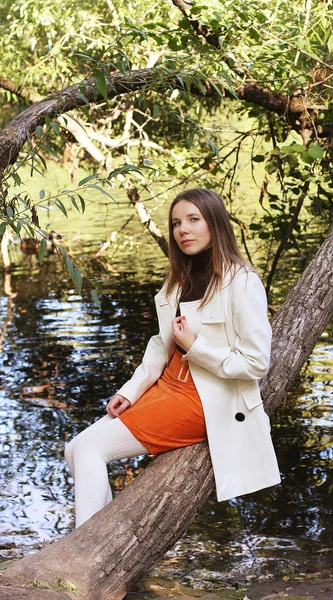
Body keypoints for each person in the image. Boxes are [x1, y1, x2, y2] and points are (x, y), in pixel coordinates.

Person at [65, 188, 281, 528]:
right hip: (168, 384)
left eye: (194, 220)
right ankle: (98, 535)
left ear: (215, 224)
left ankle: (79, 551)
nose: (183, 230)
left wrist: (195, 346)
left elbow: (256, 363)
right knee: (74, 449)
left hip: (204, 396)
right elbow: (160, 346)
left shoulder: (242, 283)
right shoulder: (176, 283)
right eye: (177, 222)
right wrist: (130, 391)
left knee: (91, 449)